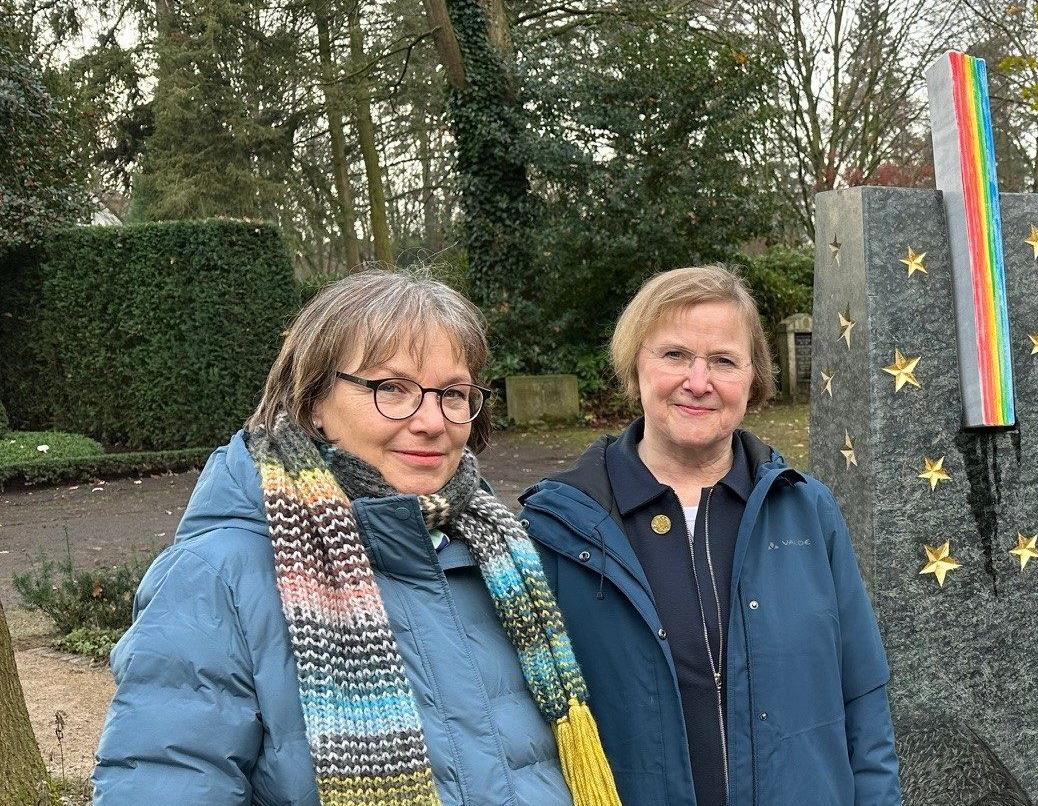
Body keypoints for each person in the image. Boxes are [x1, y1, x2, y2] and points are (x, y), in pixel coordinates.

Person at [94, 269, 620, 805]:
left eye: (454, 394)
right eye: (392, 388)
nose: (432, 421)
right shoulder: (219, 576)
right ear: (313, 402)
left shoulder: (501, 555)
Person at [519, 265, 900, 806]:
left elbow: (863, 699)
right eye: (675, 355)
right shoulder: (558, 529)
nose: (698, 382)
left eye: (723, 360)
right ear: (635, 364)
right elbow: (526, 739)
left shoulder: (807, 511)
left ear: (752, 378)